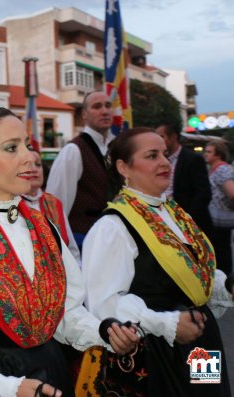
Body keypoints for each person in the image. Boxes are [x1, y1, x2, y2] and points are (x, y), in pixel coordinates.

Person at [0, 107, 139, 397]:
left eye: (27, 145)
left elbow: (64, 312)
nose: (27, 158)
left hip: (53, 372)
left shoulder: (44, 227)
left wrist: (102, 331)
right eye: (11, 148)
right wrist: (10, 387)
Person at [82, 127, 233, 396]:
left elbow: (195, 272)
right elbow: (105, 303)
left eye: (164, 154)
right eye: (152, 156)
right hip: (157, 351)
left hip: (200, 342)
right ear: (123, 168)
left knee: (209, 393)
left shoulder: (174, 213)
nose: (164, 162)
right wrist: (167, 322)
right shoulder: (112, 227)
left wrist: (225, 286)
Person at [46, 91, 114, 249]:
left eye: (108, 106)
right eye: (97, 106)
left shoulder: (112, 148)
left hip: (109, 241)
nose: (104, 111)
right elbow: (55, 206)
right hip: (82, 243)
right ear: (84, 114)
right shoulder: (73, 150)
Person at [22, 149, 81, 263]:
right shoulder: (10, 204)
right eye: (27, 165)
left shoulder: (53, 203)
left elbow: (71, 249)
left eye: (38, 165)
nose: (34, 169)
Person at [156, 123, 213, 233]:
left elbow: (203, 193)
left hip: (191, 224)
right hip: (167, 221)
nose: (158, 141)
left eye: (161, 137)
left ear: (173, 136)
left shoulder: (193, 159)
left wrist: (187, 218)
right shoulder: (160, 161)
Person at [204, 139, 234, 275]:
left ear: (218, 154)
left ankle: (226, 280)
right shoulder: (213, 169)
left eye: (209, 152)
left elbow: (232, 193)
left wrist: (229, 209)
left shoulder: (222, 169)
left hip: (223, 219)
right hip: (217, 219)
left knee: (222, 251)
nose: (205, 154)